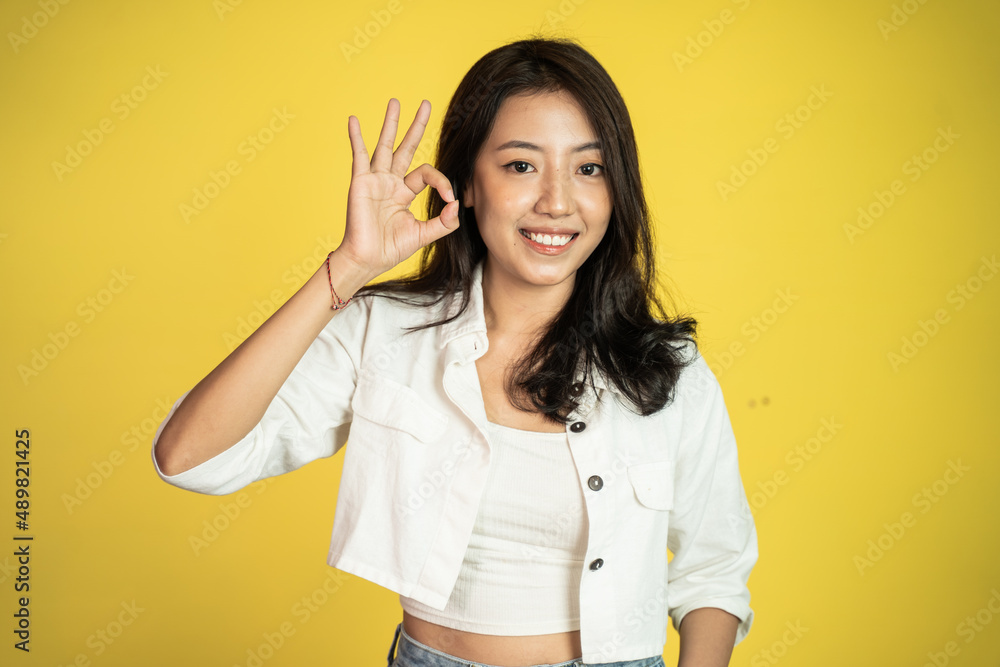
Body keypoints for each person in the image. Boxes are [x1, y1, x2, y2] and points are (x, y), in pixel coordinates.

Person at [152, 37, 757, 667]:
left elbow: (714, 567)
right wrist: (350, 266)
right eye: (521, 166)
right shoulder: (385, 332)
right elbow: (190, 457)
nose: (556, 201)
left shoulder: (667, 371)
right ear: (467, 181)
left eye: (588, 168)